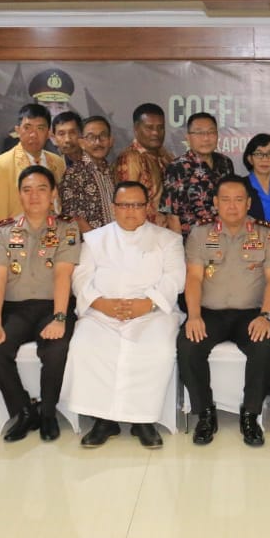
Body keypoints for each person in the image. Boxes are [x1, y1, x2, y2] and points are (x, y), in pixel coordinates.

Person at [66, 181, 185, 450]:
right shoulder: (95, 239)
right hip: (102, 313)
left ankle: (144, 420)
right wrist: (101, 303)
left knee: (158, 350)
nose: (130, 211)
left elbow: (175, 278)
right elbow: (81, 277)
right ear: (113, 208)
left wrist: (148, 304)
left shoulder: (168, 239)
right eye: (124, 205)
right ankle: (103, 420)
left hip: (152, 313)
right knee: (86, 346)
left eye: (137, 204)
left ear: (147, 207)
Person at [178, 176, 270, 447]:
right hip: (210, 312)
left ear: (249, 202)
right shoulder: (201, 234)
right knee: (188, 344)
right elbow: (193, 278)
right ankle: (205, 413)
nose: (232, 206)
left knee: (265, 344)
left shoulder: (266, 233)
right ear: (215, 203)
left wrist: (266, 315)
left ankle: (250, 414)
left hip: (251, 313)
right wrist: (193, 316)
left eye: (239, 200)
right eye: (225, 199)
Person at [0, 165, 79, 443]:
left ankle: (48, 412)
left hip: (53, 306)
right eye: (27, 190)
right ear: (19, 195)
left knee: (56, 349)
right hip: (16, 309)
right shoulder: (3, 231)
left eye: (41, 189)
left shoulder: (66, 227)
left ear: (53, 193)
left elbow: (63, 274)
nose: (34, 196)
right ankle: (24, 410)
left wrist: (60, 318)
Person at [0, 104, 66, 230]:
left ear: (48, 133)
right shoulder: (2, 164)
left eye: (40, 128)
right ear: (18, 130)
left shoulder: (58, 162)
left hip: (55, 239)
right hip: (19, 241)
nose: (33, 135)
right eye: (27, 128)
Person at [162, 112, 235, 237]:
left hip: (225, 240)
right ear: (188, 138)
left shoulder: (225, 163)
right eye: (199, 133)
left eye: (211, 132)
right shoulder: (177, 167)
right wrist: (179, 252)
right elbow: (172, 216)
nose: (206, 138)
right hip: (193, 245)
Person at [112, 102, 173, 227]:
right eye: (149, 128)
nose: (156, 133)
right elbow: (128, 204)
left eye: (160, 127)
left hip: (167, 234)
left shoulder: (166, 156)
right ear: (136, 129)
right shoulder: (130, 158)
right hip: (142, 233)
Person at [59, 114, 116, 233]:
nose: (98, 142)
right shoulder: (73, 175)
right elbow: (73, 218)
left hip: (115, 244)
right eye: (91, 137)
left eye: (103, 136)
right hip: (90, 247)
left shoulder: (113, 172)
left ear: (111, 141)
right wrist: (99, 243)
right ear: (82, 143)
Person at [243, 133, 270, 231]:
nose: (265, 159)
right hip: (249, 244)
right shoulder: (240, 187)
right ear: (250, 159)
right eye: (258, 154)